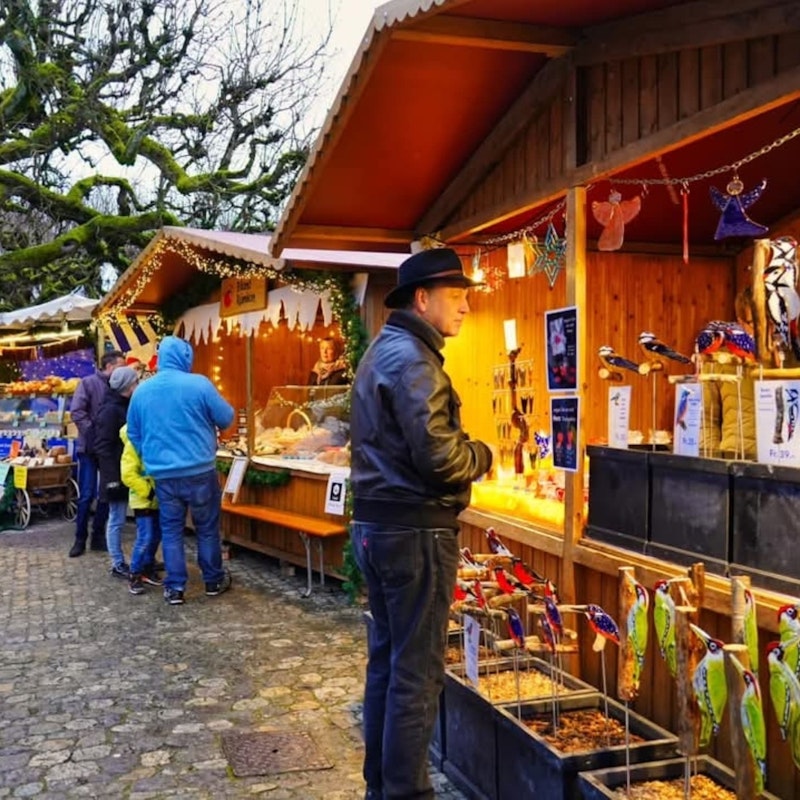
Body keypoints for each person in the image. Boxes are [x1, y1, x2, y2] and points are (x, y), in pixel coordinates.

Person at [349, 247, 493, 800]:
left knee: (389, 663)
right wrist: (481, 453)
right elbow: (442, 459)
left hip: (381, 526)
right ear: (422, 299)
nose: (463, 309)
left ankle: (381, 788)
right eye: (456, 298)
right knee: (416, 673)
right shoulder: (413, 360)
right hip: (414, 531)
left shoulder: (386, 349)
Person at [127, 335, 234, 606]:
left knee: (172, 530)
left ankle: (175, 588)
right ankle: (212, 580)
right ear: (185, 357)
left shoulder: (142, 391)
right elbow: (227, 417)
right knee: (207, 529)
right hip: (200, 471)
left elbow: (133, 434)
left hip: (164, 475)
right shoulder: (199, 384)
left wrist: (150, 457)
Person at [68, 349, 125, 557]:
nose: (124, 369)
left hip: (109, 450)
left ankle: (98, 536)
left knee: (106, 493)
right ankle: (80, 538)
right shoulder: (88, 383)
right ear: (109, 366)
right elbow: (77, 411)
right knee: (86, 494)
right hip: (89, 448)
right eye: (121, 366)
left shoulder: (118, 387)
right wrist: (93, 433)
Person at [93, 365, 139, 578]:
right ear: (128, 385)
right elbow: (103, 446)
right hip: (117, 475)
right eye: (135, 382)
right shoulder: (111, 410)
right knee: (117, 519)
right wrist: (111, 479)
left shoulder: (125, 404)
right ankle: (117, 563)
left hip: (131, 470)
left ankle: (142, 558)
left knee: (140, 518)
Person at [120, 423, 162, 595]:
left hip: (156, 498)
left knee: (156, 535)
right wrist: (148, 491)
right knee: (146, 537)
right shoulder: (133, 445)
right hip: (142, 499)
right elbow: (128, 474)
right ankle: (135, 573)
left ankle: (147, 566)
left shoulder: (152, 440)